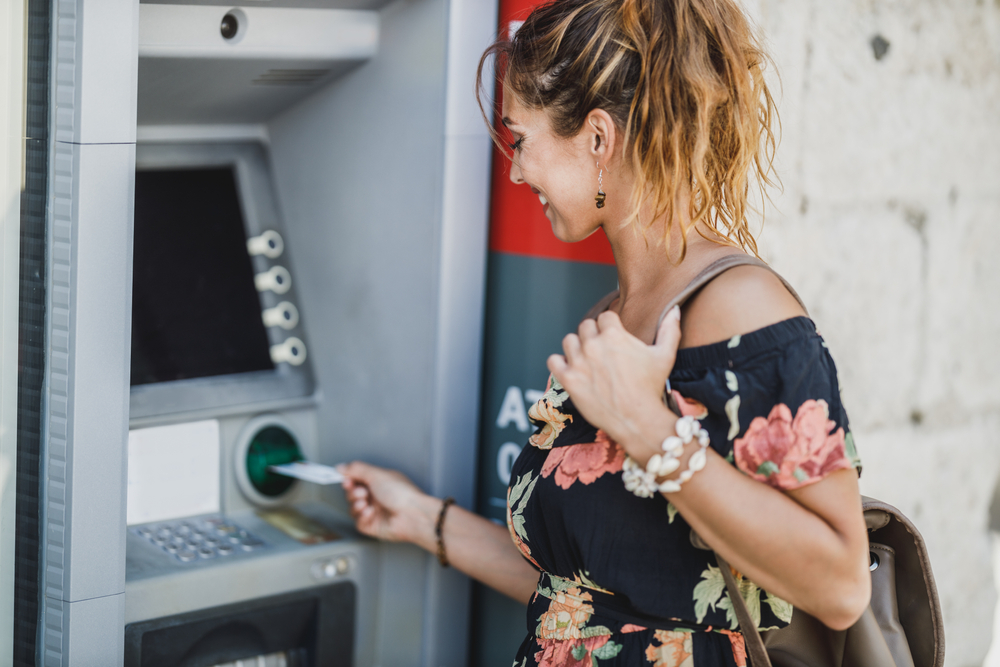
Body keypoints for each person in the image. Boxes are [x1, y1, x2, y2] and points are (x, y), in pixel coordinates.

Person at [339, 0, 871, 664]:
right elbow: (587, 598)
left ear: (597, 138)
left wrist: (648, 427)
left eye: (521, 139)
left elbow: (842, 584)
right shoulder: (606, 318)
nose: (515, 170)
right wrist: (421, 518)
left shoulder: (741, 308)